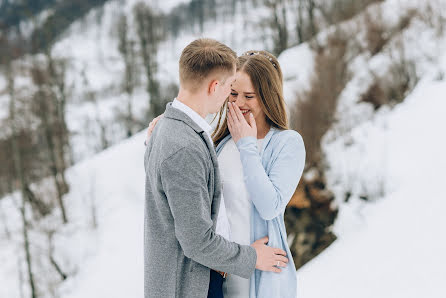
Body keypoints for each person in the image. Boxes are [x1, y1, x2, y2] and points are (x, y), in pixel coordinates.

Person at [146, 49, 306, 297]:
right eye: (233, 93)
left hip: (261, 272)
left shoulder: (287, 143)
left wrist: (247, 146)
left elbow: (270, 206)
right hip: (221, 271)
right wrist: (167, 132)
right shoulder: (217, 144)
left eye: (249, 96)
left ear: (267, 97)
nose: (239, 103)